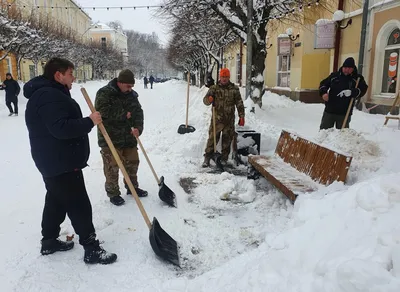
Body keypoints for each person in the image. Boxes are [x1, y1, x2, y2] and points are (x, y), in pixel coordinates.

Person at [24, 57, 117, 264]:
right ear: (59, 75)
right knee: (78, 203)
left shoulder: (48, 93)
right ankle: (91, 248)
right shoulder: (49, 95)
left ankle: (49, 241)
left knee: (56, 200)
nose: (74, 77)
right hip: (61, 161)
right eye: (70, 73)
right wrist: (89, 121)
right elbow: (61, 128)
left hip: (53, 160)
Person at [95, 69, 147, 206]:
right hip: (110, 137)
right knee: (112, 166)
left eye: (132, 87)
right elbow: (102, 112)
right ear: (120, 82)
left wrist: (138, 128)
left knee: (133, 162)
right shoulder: (104, 93)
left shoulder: (131, 96)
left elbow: (138, 112)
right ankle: (113, 193)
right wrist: (123, 114)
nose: (130, 89)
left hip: (128, 137)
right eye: (128, 86)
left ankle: (132, 187)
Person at [202, 68, 245, 167]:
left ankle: (224, 159)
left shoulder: (234, 89)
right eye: (222, 76)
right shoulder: (214, 88)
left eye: (226, 77)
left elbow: (239, 103)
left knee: (227, 141)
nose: (224, 79)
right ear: (220, 77)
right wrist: (209, 99)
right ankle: (207, 158)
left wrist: (241, 116)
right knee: (212, 140)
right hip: (217, 121)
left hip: (229, 121)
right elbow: (205, 101)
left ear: (229, 77)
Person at [319, 57, 368, 130]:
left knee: (342, 136)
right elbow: (323, 84)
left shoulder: (357, 79)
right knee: (324, 132)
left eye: (349, 68)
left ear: (353, 69)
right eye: (345, 68)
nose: (346, 70)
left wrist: (352, 92)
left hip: (345, 112)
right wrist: (324, 93)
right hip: (330, 110)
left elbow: (363, 89)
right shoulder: (334, 76)